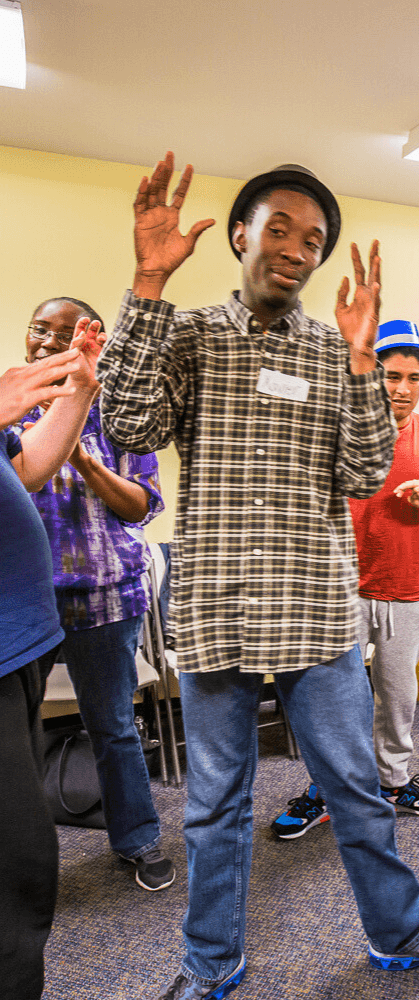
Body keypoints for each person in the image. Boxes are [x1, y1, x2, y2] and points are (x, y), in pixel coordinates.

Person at [96, 154, 419, 999]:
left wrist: (359, 368)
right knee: (213, 808)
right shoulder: (189, 334)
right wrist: (147, 284)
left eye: (313, 239)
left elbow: (360, 473)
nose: (297, 247)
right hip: (216, 611)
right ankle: (211, 962)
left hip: (315, 610)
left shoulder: (333, 351)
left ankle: (402, 933)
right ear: (239, 234)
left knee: (356, 791)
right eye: (279, 227)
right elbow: (127, 421)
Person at [272, 320, 419, 838]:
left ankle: (393, 781)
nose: (402, 388)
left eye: (413, 377)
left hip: (407, 589)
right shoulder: (336, 426)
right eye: (391, 375)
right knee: (331, 699)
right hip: (344, 590)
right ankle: (325, 787)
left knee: (399, 696)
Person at [16, 296, 173, 892]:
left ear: (92, 341)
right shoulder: (10, 409)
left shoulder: (120, 412)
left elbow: (141, 507)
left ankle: (137, 840)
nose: (49, 341)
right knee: (15, 735)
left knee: (111, 725)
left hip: (104, 600)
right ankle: (25, 859)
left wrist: (84, 461)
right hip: (25, 603)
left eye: (66, 332)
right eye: (39, 329)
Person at [0, 322, 104, 1000]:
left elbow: (26, 467)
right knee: (18, 872)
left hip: (20, 645)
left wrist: (78, 395)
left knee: (20, 858)